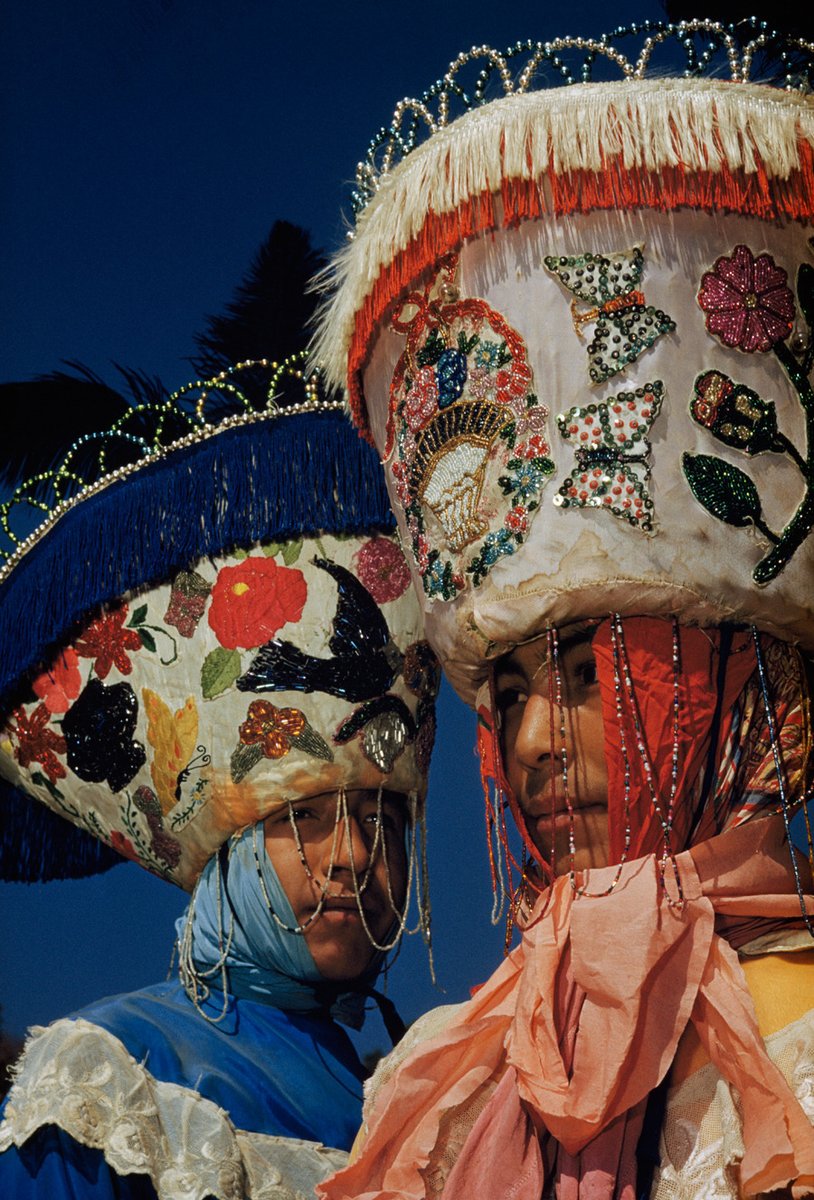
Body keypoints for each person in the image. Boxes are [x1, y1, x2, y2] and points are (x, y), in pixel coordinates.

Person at [311, 19, 814, 1199]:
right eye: (513, 697)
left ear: (756, 712)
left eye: (592, 681)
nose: (535, 745)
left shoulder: (798, 1052)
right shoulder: (448, 1076)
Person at [0, 360, 438, 1199]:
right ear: (229, 847)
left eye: (384, 819)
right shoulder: (114, 1074)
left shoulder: (430, 1094)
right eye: (304, 816)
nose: (352, 856)